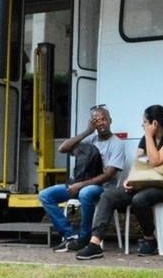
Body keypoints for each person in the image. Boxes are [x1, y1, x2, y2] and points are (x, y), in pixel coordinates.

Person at [76, 105, 163, 260]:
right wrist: (130, 178)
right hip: (143, 182)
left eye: (145, 123)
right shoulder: (144, 139)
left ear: (154, 124)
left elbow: (155, 161)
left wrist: (149, 136)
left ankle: (149, 238)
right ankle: (95, 243)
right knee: (108, 196)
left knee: (139, 199)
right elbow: (139, 163)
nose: (143, 126)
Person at [40, 105, 126, 252]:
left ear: (110, 120)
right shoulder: (90, 139)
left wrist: (80, 186)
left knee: (86, 193)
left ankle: (85, 236)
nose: (100, 123)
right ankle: (70, 236)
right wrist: (87, 131)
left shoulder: (116, 143)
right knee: (46, 195)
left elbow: (109, 174)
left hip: (103, 187)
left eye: (103, 119)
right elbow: (63, 148)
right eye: (96, 120)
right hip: (79, 183)